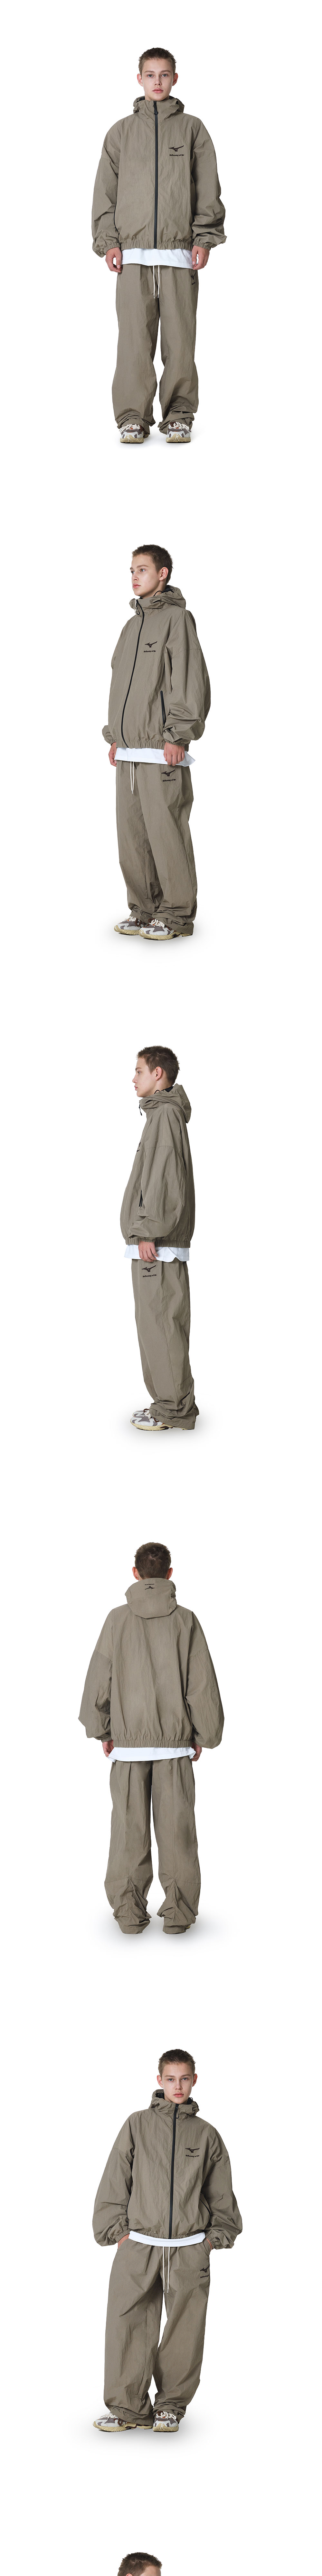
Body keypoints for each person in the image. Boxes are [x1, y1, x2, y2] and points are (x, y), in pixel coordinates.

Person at [78, 1539, 224, 1934]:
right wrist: (204, 1734)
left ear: (136, 1573)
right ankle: (178, 1916)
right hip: (175, 1746)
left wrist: (102, 1730)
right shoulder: (186, 1621)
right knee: (178, 1834)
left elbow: (98, 1681)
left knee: (129, 1833)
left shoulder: (116, 1620)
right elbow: (201, 1685)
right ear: (170, 1574)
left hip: (127, 1748)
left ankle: (129, 1915)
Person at [93, 2050, 242, 2431]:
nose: (178, 2086)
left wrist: (212, 2240)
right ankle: (127, 2409)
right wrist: (118, 2232)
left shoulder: (207, 2135)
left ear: (195, 2080)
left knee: (184, 2330)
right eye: (171, 2079)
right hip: (138, 2245)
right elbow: (116, 2179)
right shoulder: (137, 2124)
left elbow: (221, 2193)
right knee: (127, 2324)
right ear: (159, 2080)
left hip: (189, 2249)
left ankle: (170, 2407)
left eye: (185, 2078)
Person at [92, 47, 225, 442]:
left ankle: (179, 414)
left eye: (164, 75)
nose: (157, 82)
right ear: (139, 79)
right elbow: (105, 193)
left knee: (180, 341)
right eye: (150, 75)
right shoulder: (120, 133)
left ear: (174, 79)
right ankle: (132, 416)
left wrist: (204, 238)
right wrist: (108, 242)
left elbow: (207, 187)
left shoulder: (192, 129)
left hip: (180, 253)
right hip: (131, 255)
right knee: (134, 341)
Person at [104, 544, 210, 938]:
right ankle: (144, 910)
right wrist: (115, 737)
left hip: (162, 747)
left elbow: (188, 679)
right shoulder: (131, 627)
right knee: (132, 837)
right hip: (129, 750)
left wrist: (178, 734)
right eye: (132, 570)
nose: (135, 576)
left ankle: (177, 915)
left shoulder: (177, 619)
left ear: (163, 573)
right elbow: (120, 685)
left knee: (167, 834)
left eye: (143, 569)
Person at [120, 1047, 197, 1430]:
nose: (133, 1078)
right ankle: (167, 1404)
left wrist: (147, 1230)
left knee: (162, 1326)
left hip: (156, 1243)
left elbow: (165, 1179)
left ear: (158, 1073)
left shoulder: (165, 1114)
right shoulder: (161, 1114)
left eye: (139, 1070)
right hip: (155, 1242)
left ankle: (173, 1410)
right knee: (157, 1325)